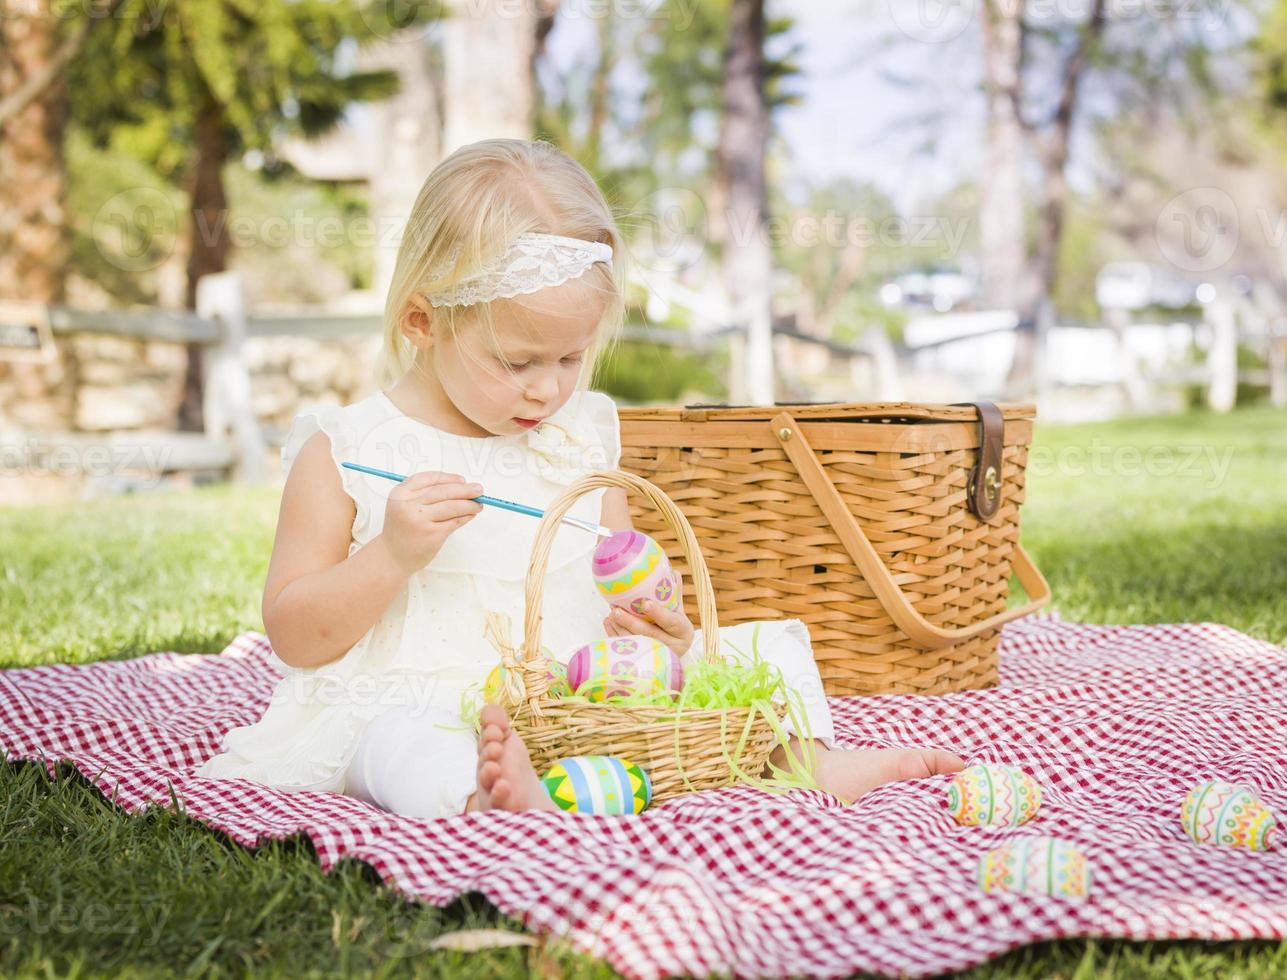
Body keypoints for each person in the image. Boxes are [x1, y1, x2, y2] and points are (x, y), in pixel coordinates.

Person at [196, 139, 964, 818]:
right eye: (518, 362)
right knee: (400, 742)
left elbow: (622, 578)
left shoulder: (580, 437)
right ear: (423, 323)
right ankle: (489, 792)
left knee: (760, 651)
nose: (547, 389)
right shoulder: (350, 449)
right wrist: (390, 556)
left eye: (570, 358)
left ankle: (803, 761)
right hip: (425, 696)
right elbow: (296, 636)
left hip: (585, 695)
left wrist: (661, 624)